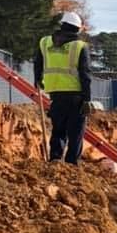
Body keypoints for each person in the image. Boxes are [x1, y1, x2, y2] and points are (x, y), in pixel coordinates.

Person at [35, 11, 93, 166]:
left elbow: (38, 63)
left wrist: (38, 80)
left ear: (62, 25)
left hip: (56, 94)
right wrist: (87, 99)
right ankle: (71, 163)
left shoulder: (45, 42)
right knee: (76, 132)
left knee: (58, 129)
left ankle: (55, 159)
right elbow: (85, 74)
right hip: (76, 96)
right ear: (78, 29)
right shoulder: (80, 46)